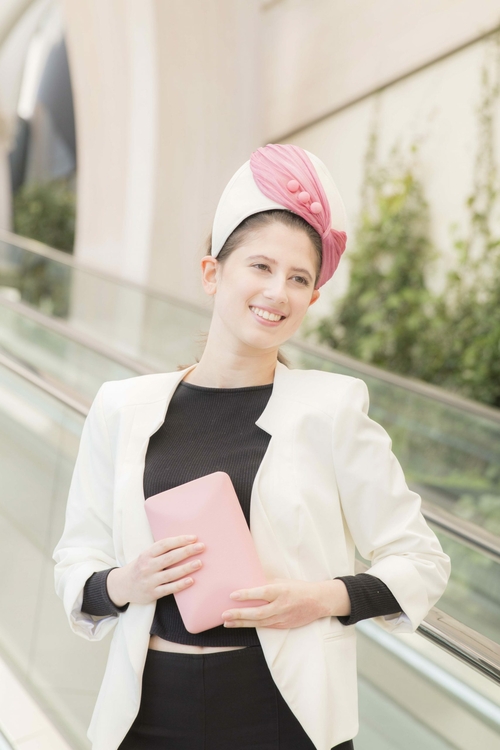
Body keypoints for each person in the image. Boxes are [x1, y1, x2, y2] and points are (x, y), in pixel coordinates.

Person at [52, 143, 451, 750]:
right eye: (260, 267)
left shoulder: (332, 407)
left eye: (299, 279)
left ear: (311, 300)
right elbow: (76, 558)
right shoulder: (122, 408)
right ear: (212, 273)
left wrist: (316, 599)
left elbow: (420, 561)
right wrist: (122, 584)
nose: (278, 292)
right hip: (149, 710)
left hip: (285, 711)